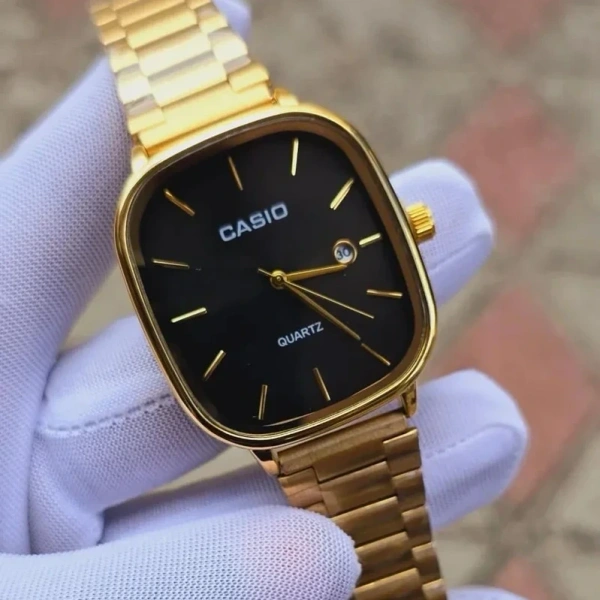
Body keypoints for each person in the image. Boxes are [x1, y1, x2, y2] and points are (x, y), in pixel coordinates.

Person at [0, 1, 529, 598]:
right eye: (274, 279)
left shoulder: (305, 147)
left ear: (413, 225)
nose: (278, 278)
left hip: (349, 387)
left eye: (281, 275)